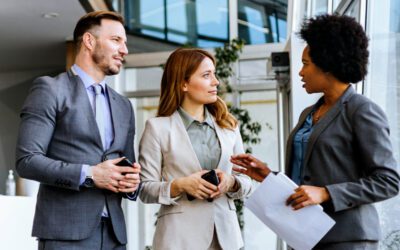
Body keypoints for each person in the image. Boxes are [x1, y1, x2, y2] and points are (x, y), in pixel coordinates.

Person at [231, 14, 400, 250]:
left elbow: (389, 181)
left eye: (306, 64)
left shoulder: (361, 110)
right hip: (304, 236)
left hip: (347, 240)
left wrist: (326, 194)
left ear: (327, 64)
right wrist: (269, 176)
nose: (300, 72)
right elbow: (310, 174)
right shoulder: (308, 114)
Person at [16, 11, 141, 249]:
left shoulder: (124, 105)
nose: (124, 50)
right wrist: (91, 174)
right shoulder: (50, 89)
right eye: (116, 40)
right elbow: (27, 160)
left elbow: (127, 166)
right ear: (89, 41)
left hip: (115, 237)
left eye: (125, 42)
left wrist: (132, 183)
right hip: (64, 236)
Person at [138, 48, 253, 250]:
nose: (216, 81)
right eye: (206, 75)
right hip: (178, 240)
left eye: (214, 74)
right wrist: (180, 185)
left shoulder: (229, 126)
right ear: (183, 83)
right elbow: (145, 189)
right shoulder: (157, 128)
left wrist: (231, 182)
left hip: (227, 240)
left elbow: (247, 183)